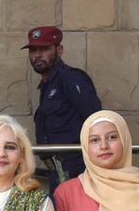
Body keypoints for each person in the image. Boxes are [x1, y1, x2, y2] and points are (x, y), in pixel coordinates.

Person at [25, 26, 102, 180]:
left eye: (44, 49)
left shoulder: (71, 78)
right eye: (33, 50)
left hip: (78, 169)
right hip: (58, 171)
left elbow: (96, 122)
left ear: (59, 50)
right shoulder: (47, 84)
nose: (37, 55)